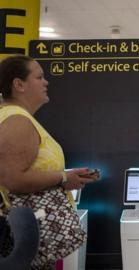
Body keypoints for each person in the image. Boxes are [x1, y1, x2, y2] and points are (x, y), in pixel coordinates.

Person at [0, 55, 98, 268]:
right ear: (19, 84)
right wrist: (63, 178)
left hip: (28, 236)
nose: (46, 82)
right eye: (39, 77)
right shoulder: (17, 121)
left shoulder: (15, 117)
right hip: (24, 239)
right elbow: (13, 179)